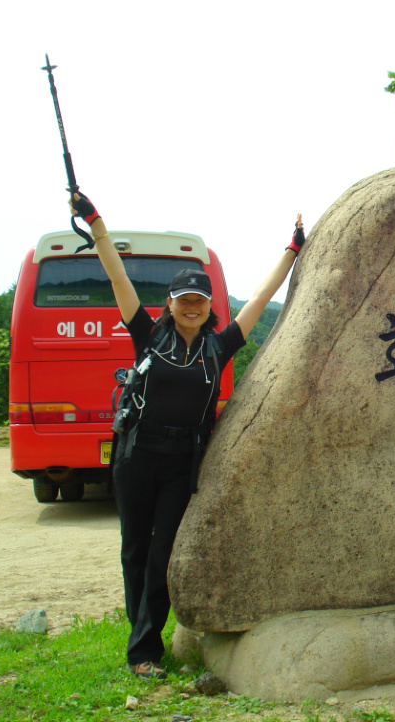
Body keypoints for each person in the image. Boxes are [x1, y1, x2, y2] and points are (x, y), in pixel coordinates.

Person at [70, 192, 305, 680]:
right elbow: (117, 275)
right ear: (170, 305)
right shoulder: (148, 335)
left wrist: (291, 251)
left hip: (182, 460)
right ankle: (142, 642)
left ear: (208, 307)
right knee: (133, 548)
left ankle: (144, 650)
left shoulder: (220, 347)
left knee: (161, 555)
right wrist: (95, 223)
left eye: (200, 301)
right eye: (185, 301)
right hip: (136, 455)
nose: (193, 308)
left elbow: (260, 299)